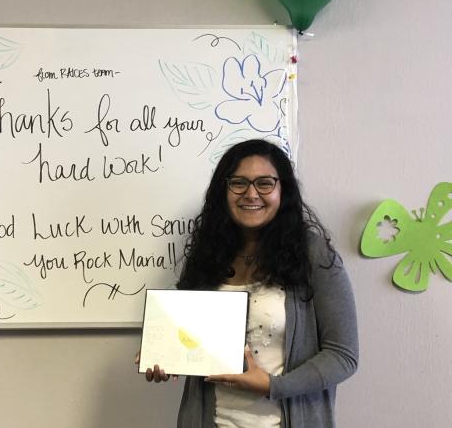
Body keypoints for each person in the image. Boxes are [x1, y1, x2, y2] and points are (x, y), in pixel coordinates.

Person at [140, 139, 358, 428]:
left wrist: (273, 385)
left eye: (265, 183)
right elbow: (189, 337)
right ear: (224, 190)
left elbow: (342, 355)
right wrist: (166, 356)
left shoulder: (312, 253)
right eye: (239, 183)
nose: (251, 193)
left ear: (283, 190)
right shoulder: (207, 253)